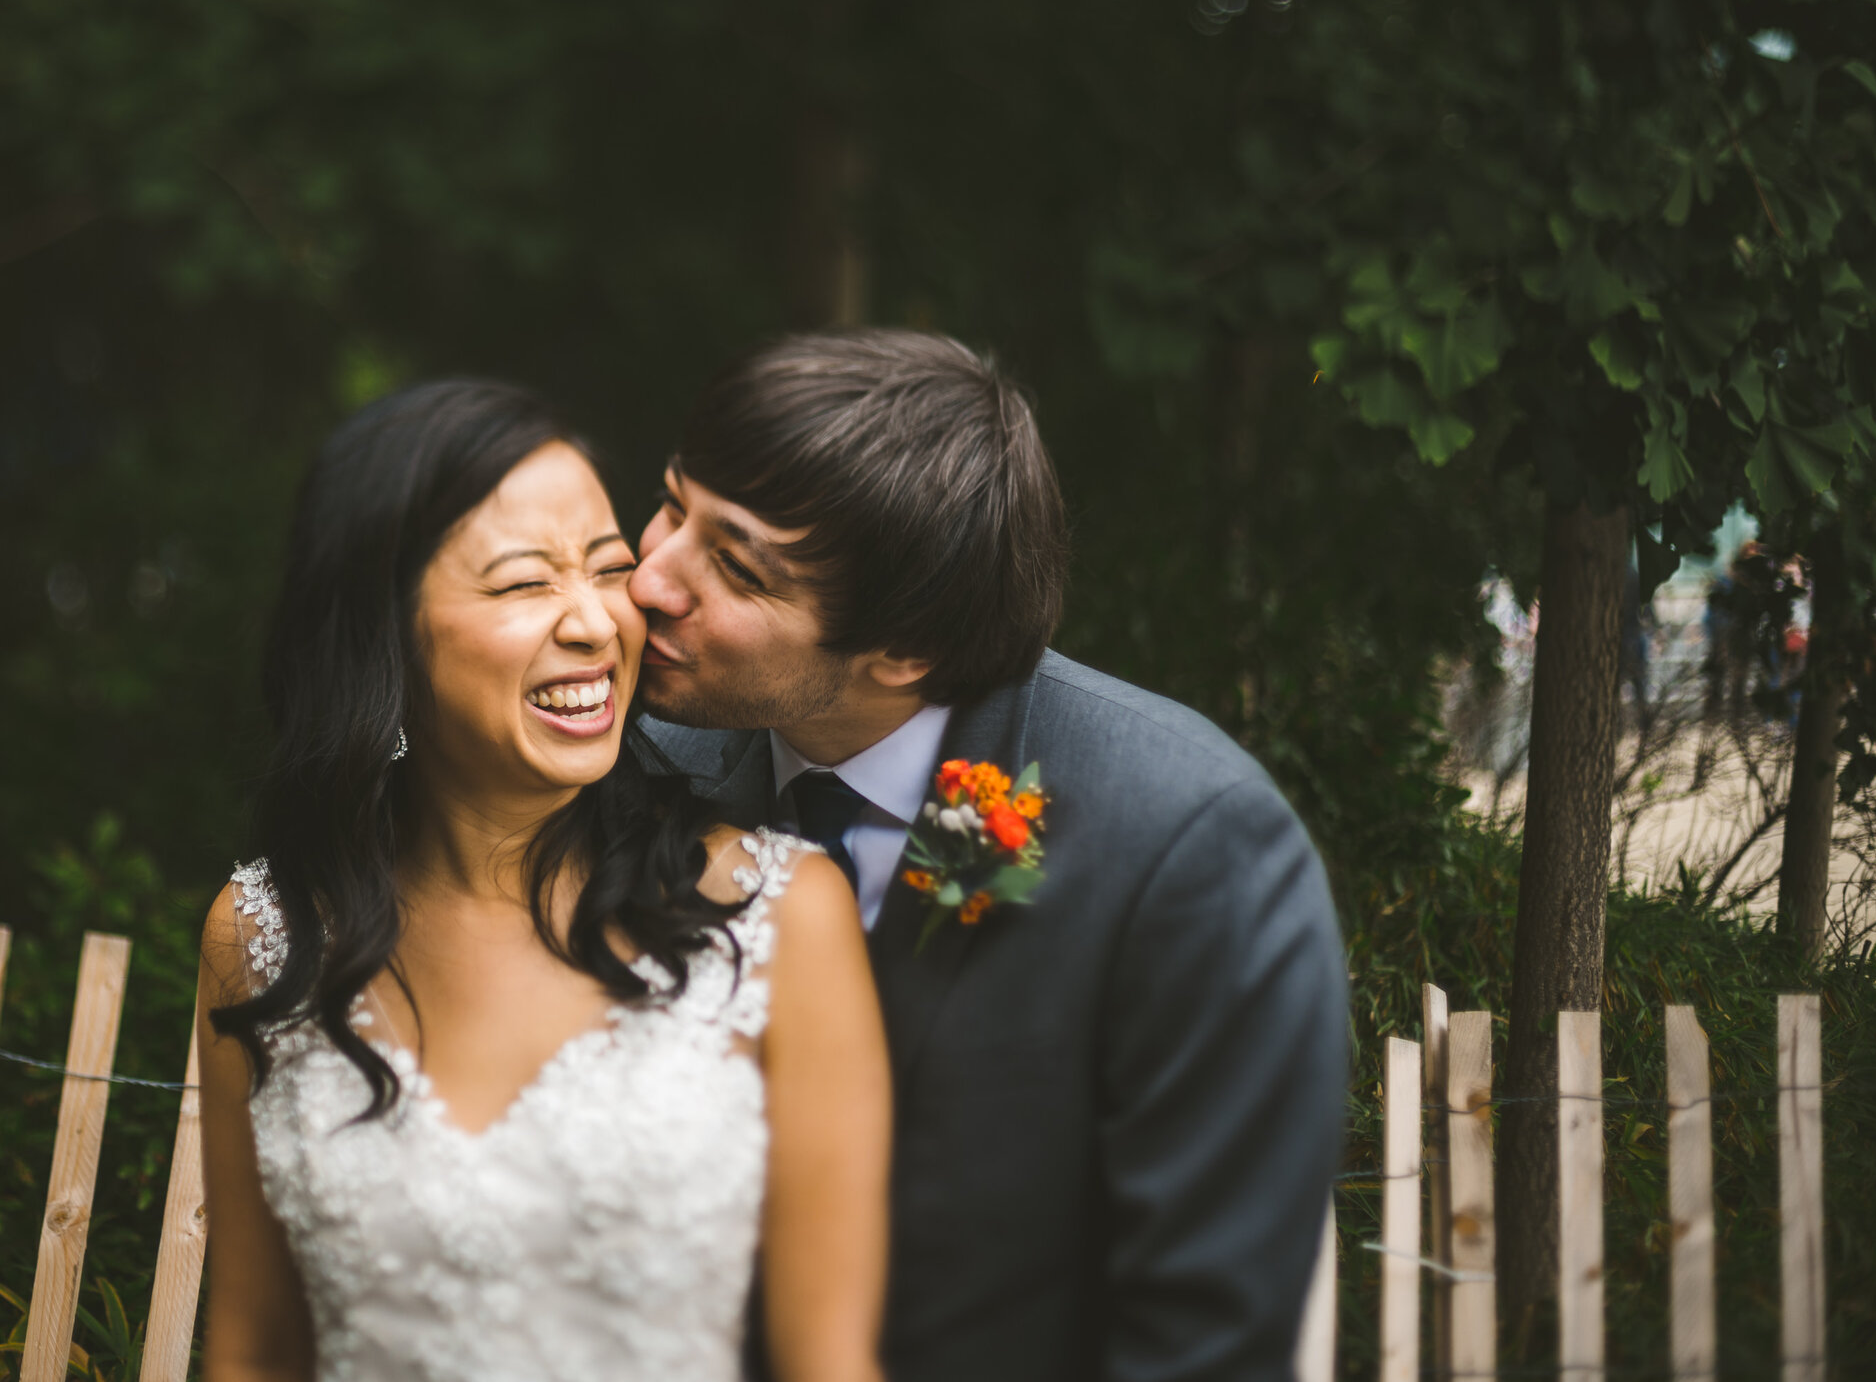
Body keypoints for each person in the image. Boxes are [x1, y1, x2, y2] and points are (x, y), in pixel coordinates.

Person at [630, 330, 1349, 1382]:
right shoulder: (640, 769)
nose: (650, 578)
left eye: (735, 567)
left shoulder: (1189, 850)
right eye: (668, 505)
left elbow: (1205, 1344)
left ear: (906, 649)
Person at [195, 379, 893, 1382]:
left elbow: (829, 1364)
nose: (595, 622)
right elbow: (253, 1351)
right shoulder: (259, 935)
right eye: (525, 583)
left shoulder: (779, 912)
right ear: (383, 630)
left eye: (609, 569)